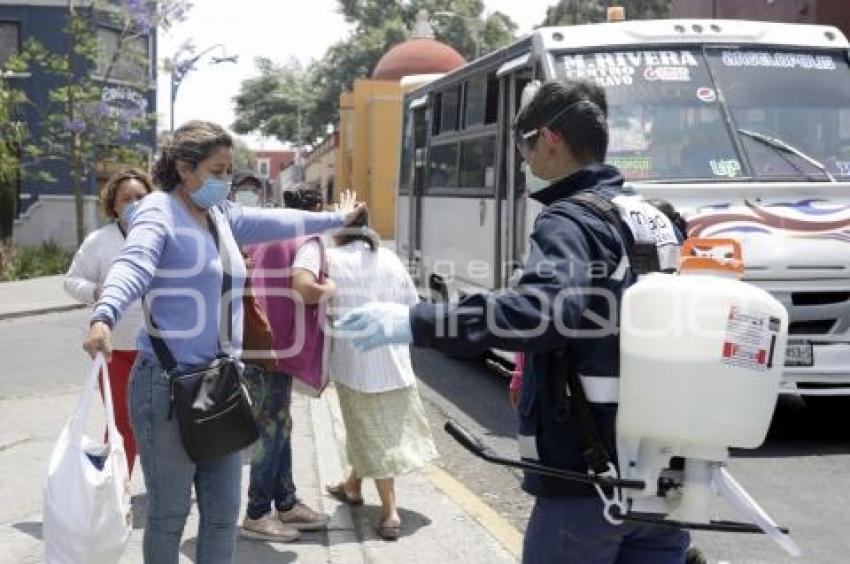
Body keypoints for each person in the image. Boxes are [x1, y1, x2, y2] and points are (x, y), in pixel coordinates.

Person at [334, 80, 689, 563]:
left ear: (549, 139)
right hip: (665, 476)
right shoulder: (652, 218)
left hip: (589, 482)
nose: (524, 163)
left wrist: (416, 321)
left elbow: (540, 312)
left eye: (523, 149)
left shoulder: (570, 219)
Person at [82, 120, 365, 564]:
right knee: (170, 515)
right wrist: (104, 315)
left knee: (221, 516)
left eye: (229, 170)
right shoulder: (157, 211)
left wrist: (336, 218)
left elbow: (280, 221)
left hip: (221, 385)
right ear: (184, 167)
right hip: (166, 388)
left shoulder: (220, 214)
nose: (225, 180)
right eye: (217, 170)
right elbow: (132, 266)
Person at [296, 210, 436, 541]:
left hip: (355, 365)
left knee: (372, 435)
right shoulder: (388, 257)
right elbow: (412, 305)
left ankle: (390, 512)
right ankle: (352, 486)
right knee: (370, 431)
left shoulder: (329, 260)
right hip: (395, 360)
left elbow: (319, 308)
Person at [237, 185, 339, 543]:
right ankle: (257, 513)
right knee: (272, 428)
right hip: (278, 347)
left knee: (279, 424)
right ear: (317, 209)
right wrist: (331, 289)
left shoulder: (265, 235)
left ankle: (287, 501)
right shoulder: (308, 240)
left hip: (255, 340)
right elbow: (304, 287)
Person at [64, 168, 154, 475]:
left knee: (164, 422)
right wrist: (95, 290)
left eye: (141, 197)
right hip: (114, 348)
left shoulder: (165, 236)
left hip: (158, 348)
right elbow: (71, 280)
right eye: (126, 199)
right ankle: (115, 492)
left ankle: (170, 491)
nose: (134, 203)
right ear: (113, 205)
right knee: (122, 423)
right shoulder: (99, 241)